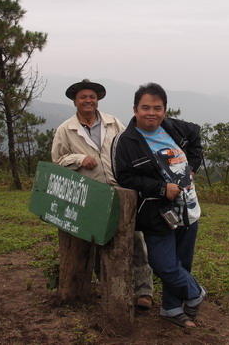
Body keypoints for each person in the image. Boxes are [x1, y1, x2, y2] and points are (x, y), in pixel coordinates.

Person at [51, 79, 154, 309]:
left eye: (92, 97)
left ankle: (144, 291)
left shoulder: (113, 123)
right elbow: (58, 160)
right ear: (75, 102)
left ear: (97, 100)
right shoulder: (66, 129)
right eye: (83, 97)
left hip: (121, 190)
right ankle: (107, 287)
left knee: (136, 239)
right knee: (98, 241)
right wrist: (79, 159)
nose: (88, 101)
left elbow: (130, 146)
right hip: (92, 195)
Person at [111, 82, 205, 328]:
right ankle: (195, 293)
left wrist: (192, 168)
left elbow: (195, 136)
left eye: (157, 108)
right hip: (157, 213)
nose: (151, 113)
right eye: (145, 108)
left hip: (188, 209)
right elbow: (124, 177)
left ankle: (171, 308)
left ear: (164, 109)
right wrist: (162, 188)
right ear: (135, 109)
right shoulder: (126, 141)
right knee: (163, 264)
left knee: (182, 262)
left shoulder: (174, 128)